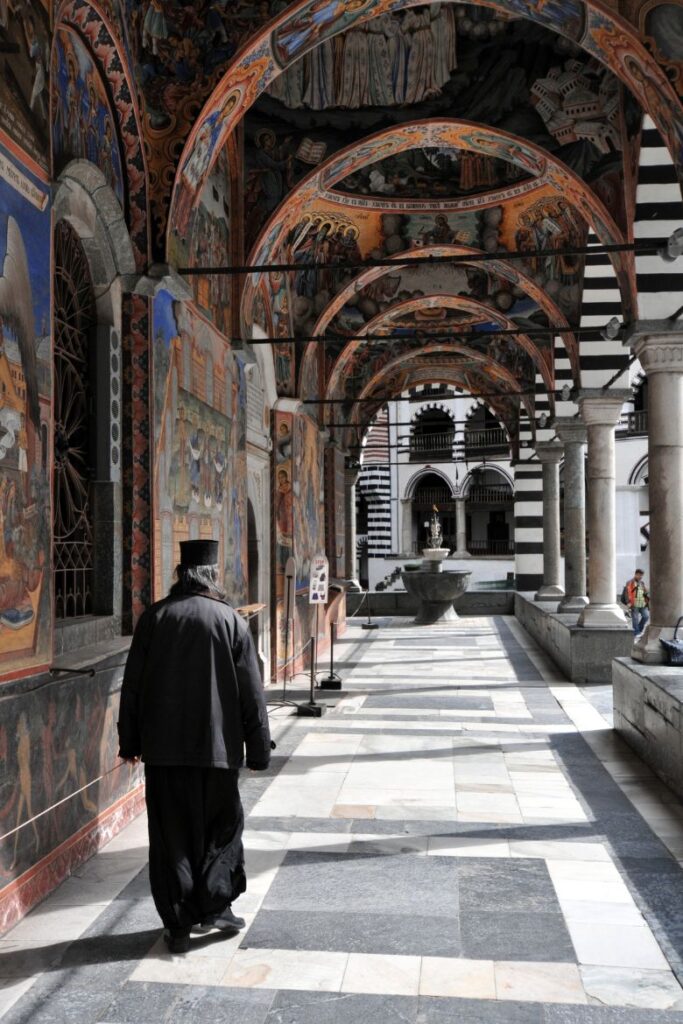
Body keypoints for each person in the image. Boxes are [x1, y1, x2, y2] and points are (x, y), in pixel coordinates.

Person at [117, 539, 272, 954]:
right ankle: (216, 907)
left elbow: (132, 687)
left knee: (172, 837)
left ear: (180, 576)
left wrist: (128, 740)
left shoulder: (154, 618)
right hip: (218, 752)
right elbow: (251, 692)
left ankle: (179, 925)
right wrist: (258, 750)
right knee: (221, 831)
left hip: (165, 754)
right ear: (212, 576)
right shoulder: (230, 621)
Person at [622, 568, 650, 637]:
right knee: (635, 619)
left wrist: (646, 594)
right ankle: (636, 632)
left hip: (642, 603)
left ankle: (639, 630)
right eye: (640, 575)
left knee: (646, 616)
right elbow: (627, 593)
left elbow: (644, 593)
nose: (641, 577)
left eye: (642, 575)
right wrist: (628, 602)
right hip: (634, 603)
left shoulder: (642, 583)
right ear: (636, 574)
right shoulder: (630, 582)